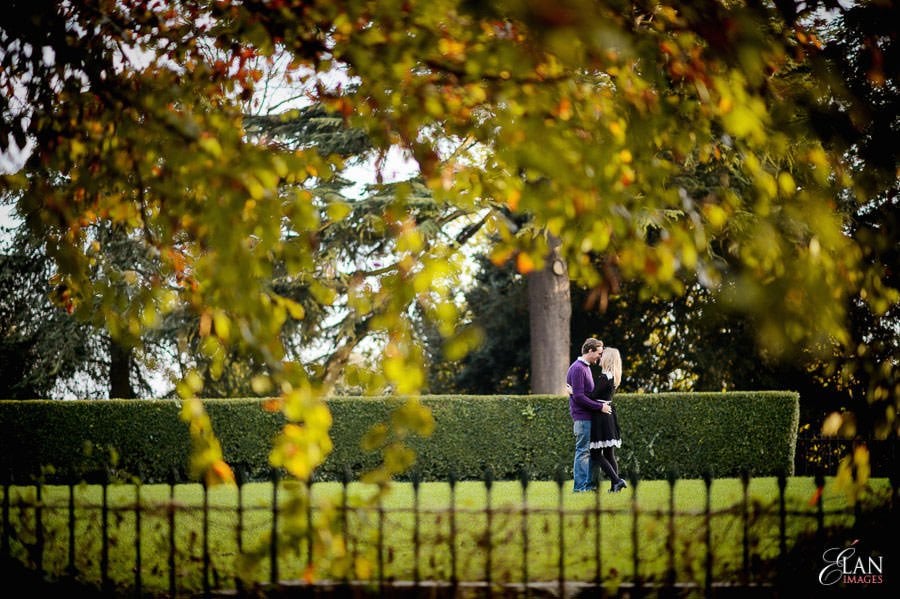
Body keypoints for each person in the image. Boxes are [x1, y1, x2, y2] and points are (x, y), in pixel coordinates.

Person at [565, 338, 609, 492]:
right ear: (590, 351)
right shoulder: (578, 368)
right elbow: (579, 397)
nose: (600, 356)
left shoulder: (586, 367)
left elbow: (584, 394)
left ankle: (590, 487)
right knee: (583, 452)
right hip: (583, 419)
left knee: (594, 452)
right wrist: (600, 407)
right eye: (599, 353)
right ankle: (579, 488)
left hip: (590, 418)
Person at [588, 347, 627, 493]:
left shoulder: (606, 377)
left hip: (602, 417)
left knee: (596, 454)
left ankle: (617, 481)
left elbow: (591, 397)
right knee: (609, 454)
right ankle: (614, 486)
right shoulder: (610, 376)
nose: (600, 357)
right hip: (607, 416)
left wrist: (574, 392)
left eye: (602, 355)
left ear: (607, 359)